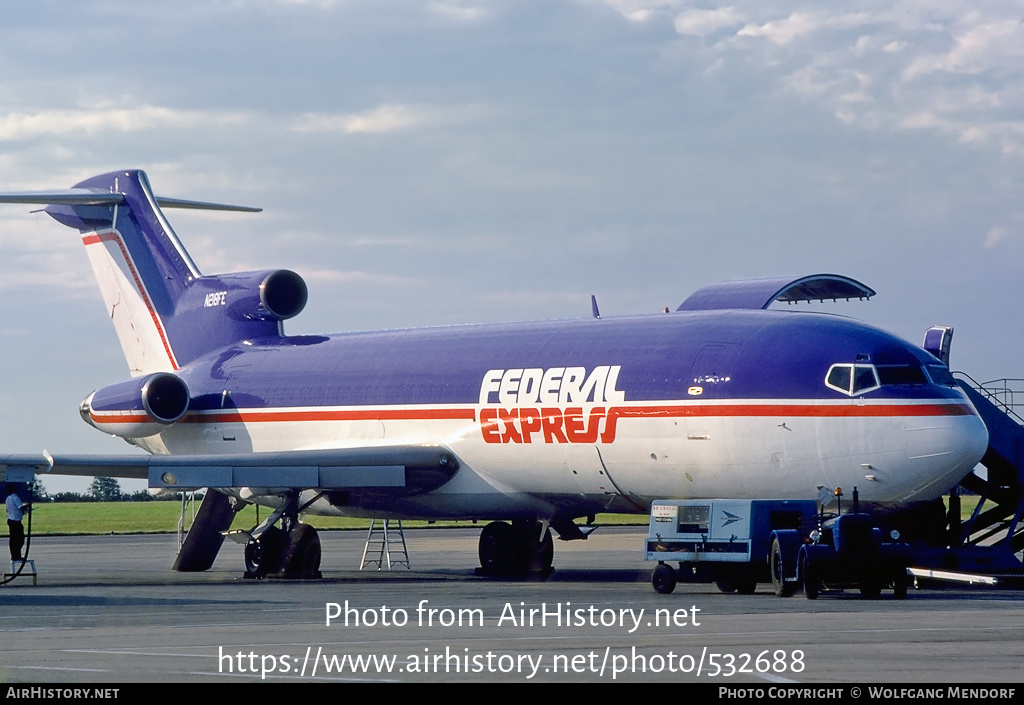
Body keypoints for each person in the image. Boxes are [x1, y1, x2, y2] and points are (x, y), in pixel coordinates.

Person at [5, 484, 27, 561]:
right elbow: (20, 508)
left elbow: (7, 510)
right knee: (20, 539)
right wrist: (27, 507)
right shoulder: (16, 498)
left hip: (11, 519)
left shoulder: (8, 498)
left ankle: (14, 555)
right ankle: (17, 555)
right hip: (16, 520)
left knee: (13, 539)